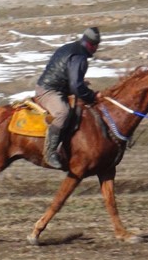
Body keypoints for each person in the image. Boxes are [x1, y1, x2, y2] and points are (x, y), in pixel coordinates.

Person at [35, 27, 101, 169]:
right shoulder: (79, 57)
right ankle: (50, 153)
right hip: (49, 90)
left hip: (58, 88)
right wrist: (91, 96)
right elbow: (75, 86)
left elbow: (69, 78)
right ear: (92, 45)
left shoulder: (70, 48)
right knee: (62, 112)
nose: (96, 49)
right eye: (96, 46)